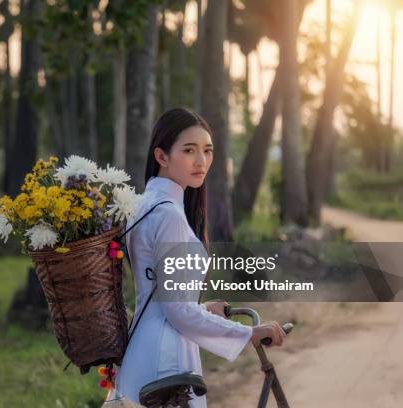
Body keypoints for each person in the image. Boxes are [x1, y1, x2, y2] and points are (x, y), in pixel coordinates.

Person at [115, 108, 286, 407]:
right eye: (189, 150)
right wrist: (248, 333)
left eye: (207, 151)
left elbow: (162, 297)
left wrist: (204, 309)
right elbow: (177, 312)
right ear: (161, 156)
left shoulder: (144, 206)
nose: (201, 161)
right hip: (165, 363)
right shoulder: (168, 215)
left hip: (142, 351)